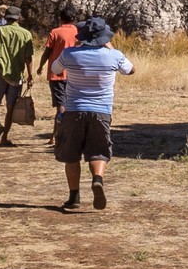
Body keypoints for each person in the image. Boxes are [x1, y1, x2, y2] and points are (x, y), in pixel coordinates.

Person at [52, 16, 134, 210]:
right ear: (104, 37)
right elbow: (130, 70)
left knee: (71, 155)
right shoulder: (114, 56)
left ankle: (74, 197)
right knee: (98, 151)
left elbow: (56, 70)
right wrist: (110, 47)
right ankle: (97, 179)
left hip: (73, 110)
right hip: (102, 110)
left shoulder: (69, 54)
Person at [0, 6, 35, 145]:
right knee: (10, 107)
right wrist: (30, 75)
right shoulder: (26, 34)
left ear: (5, 17)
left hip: (0, 71)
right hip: (17, 74)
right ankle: (4, 137)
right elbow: (28, 57)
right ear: (18, 18)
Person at [34, 8, 79, 135]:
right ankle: (64, 133)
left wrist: (40, 66)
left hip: (57, 74)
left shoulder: (55, 32)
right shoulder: (77, 32)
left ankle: (58, 134)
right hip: (74, 73)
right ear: (73, 19)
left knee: (61, 105)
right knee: (71, 103)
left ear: (60, 18)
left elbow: (47, 52)